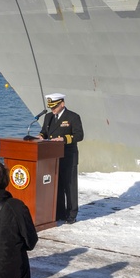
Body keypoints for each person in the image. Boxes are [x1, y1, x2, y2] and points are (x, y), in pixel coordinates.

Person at [38, 92, 84, 223]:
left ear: (62, 104)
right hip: (53, 157)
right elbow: (44, 132)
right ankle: (59, 213)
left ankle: (71, 215)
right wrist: (41, 136)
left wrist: (63, 139)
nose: (52, 109)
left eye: (55, 107)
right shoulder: (48, 117)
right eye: (51, 107)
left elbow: (79, 135)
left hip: (68, 156)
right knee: (57, 186)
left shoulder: (73, 117)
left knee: (69, 186)